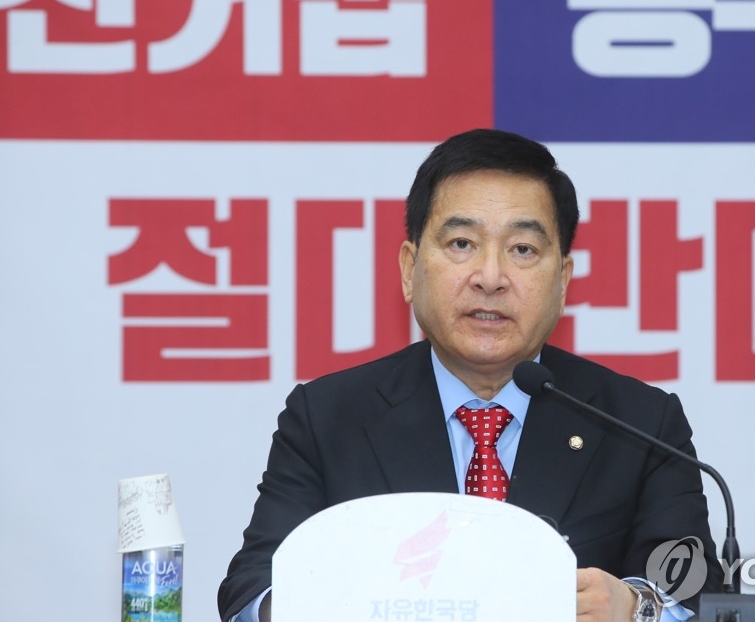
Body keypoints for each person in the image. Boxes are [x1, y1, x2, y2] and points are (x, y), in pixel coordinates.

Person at [218, 129, 723, 622]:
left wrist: (638, 608)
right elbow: (251, 590)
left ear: (562, 282)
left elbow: (699, 593)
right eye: (462, 243)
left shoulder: (640, 423)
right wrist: (318, 604)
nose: (491, 277)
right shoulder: (328, 418)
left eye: (522, 249)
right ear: (409, 269)